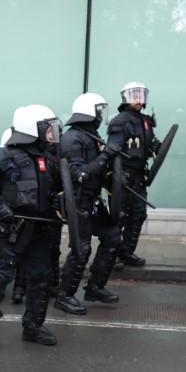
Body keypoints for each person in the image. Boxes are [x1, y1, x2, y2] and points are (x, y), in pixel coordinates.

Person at [0, 105, 64, 352]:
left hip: (42, 229)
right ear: (33, 128)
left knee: (41, 279)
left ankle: (32, 327)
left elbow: (63, 190)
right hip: (12, 229)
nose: (51, 133)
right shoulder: (2, 156)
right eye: (46, 127)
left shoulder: (50, 158)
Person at [54, 92, 122, 314]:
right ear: (88, 112)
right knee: (81, 249)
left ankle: (94, 287)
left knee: (112, 238)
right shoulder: (72, 138)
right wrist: (104, 158)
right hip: (78, 202)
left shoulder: (90, 136)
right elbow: (79, 175)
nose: (102, 115)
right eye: (99, 110)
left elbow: (98, 172)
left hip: (93, 200)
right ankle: (64, 296)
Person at [107, 81, 159, 267]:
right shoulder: (119, 122)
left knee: (138, 214)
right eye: (134, 95)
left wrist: (155, 147)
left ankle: (126, 252)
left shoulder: (145, 121)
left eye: (140, 95)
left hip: (138, 176)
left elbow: (150, 141)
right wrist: (116, 177)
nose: (138, 99)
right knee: (119, 216)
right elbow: (113, 150)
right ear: (126, 98)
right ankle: (110, 255)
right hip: (122, 176)